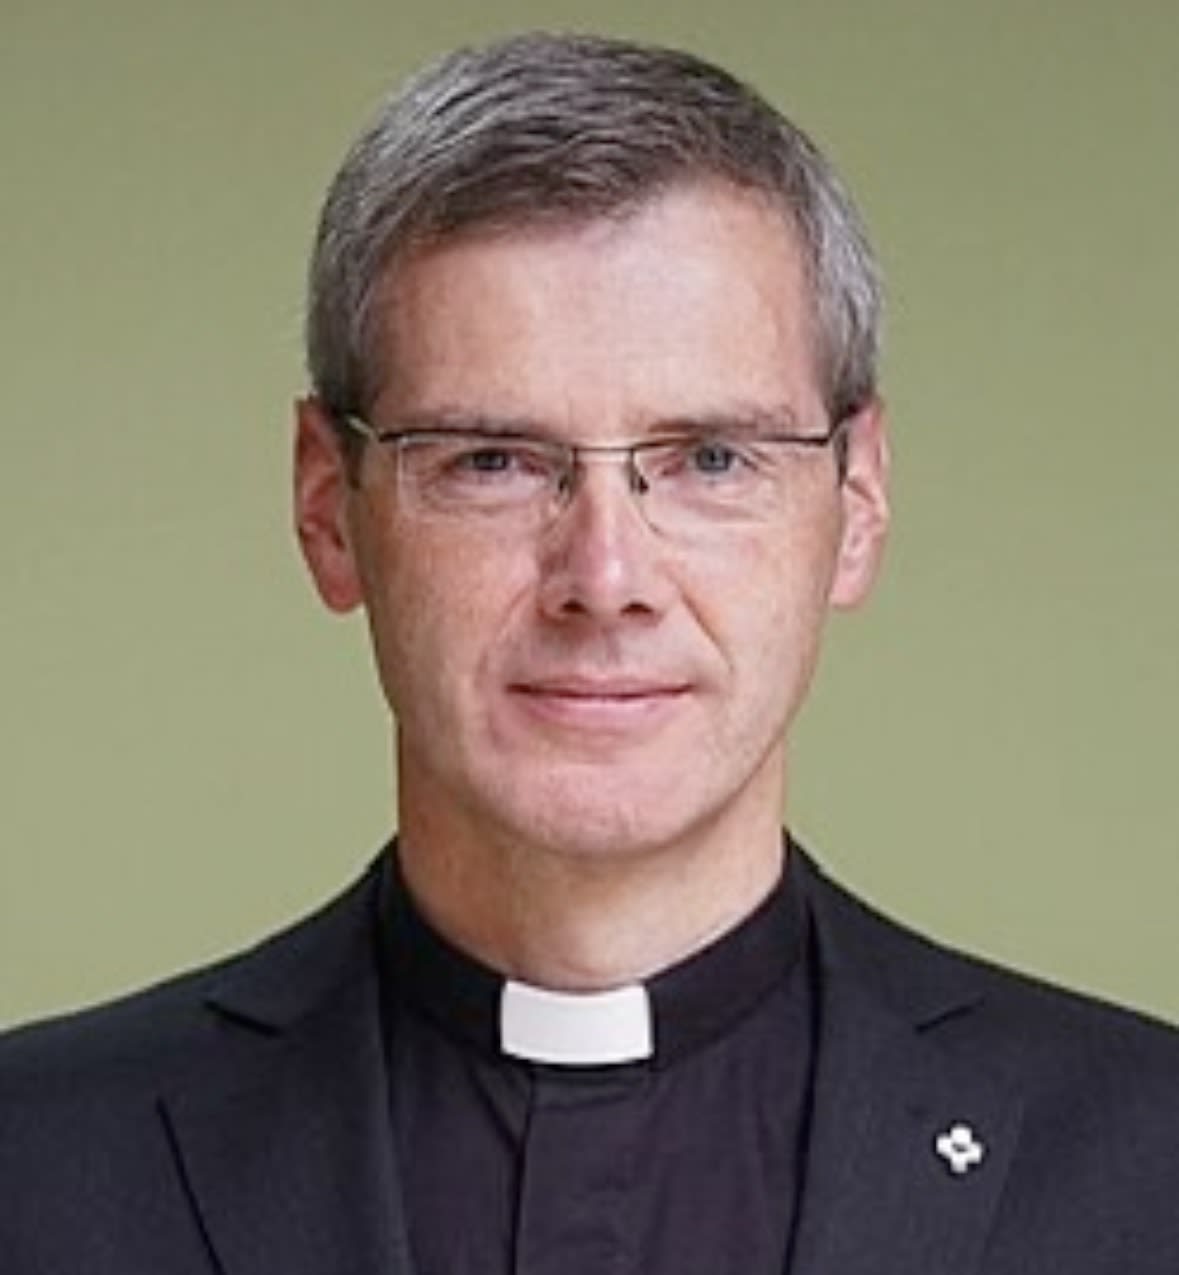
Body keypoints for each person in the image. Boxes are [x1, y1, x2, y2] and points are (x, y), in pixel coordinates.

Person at [2, 31, 1177, 1274]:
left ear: (860, 503)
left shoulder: (1151, 1167)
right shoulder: (34, 1166)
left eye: (711, 458)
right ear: (327, 508)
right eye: (492, 462)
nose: (606, 581)